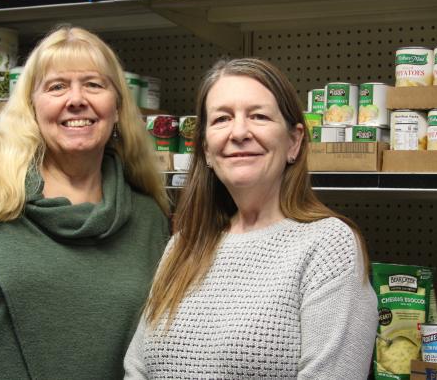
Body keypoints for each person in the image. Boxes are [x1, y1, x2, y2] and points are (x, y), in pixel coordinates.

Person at [0, 26, 170, 379]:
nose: (76, 99)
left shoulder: (148, 220)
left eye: (94, 84)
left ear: (117, 109)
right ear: (31, 108)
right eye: (57, 86)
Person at [124, 58, 378, 379]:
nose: (239, 132)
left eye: (258, 116)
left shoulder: (327, 245)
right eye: (222, 119)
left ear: (294, 141)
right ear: (204, 148)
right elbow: (136, 370)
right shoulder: (182, 246)